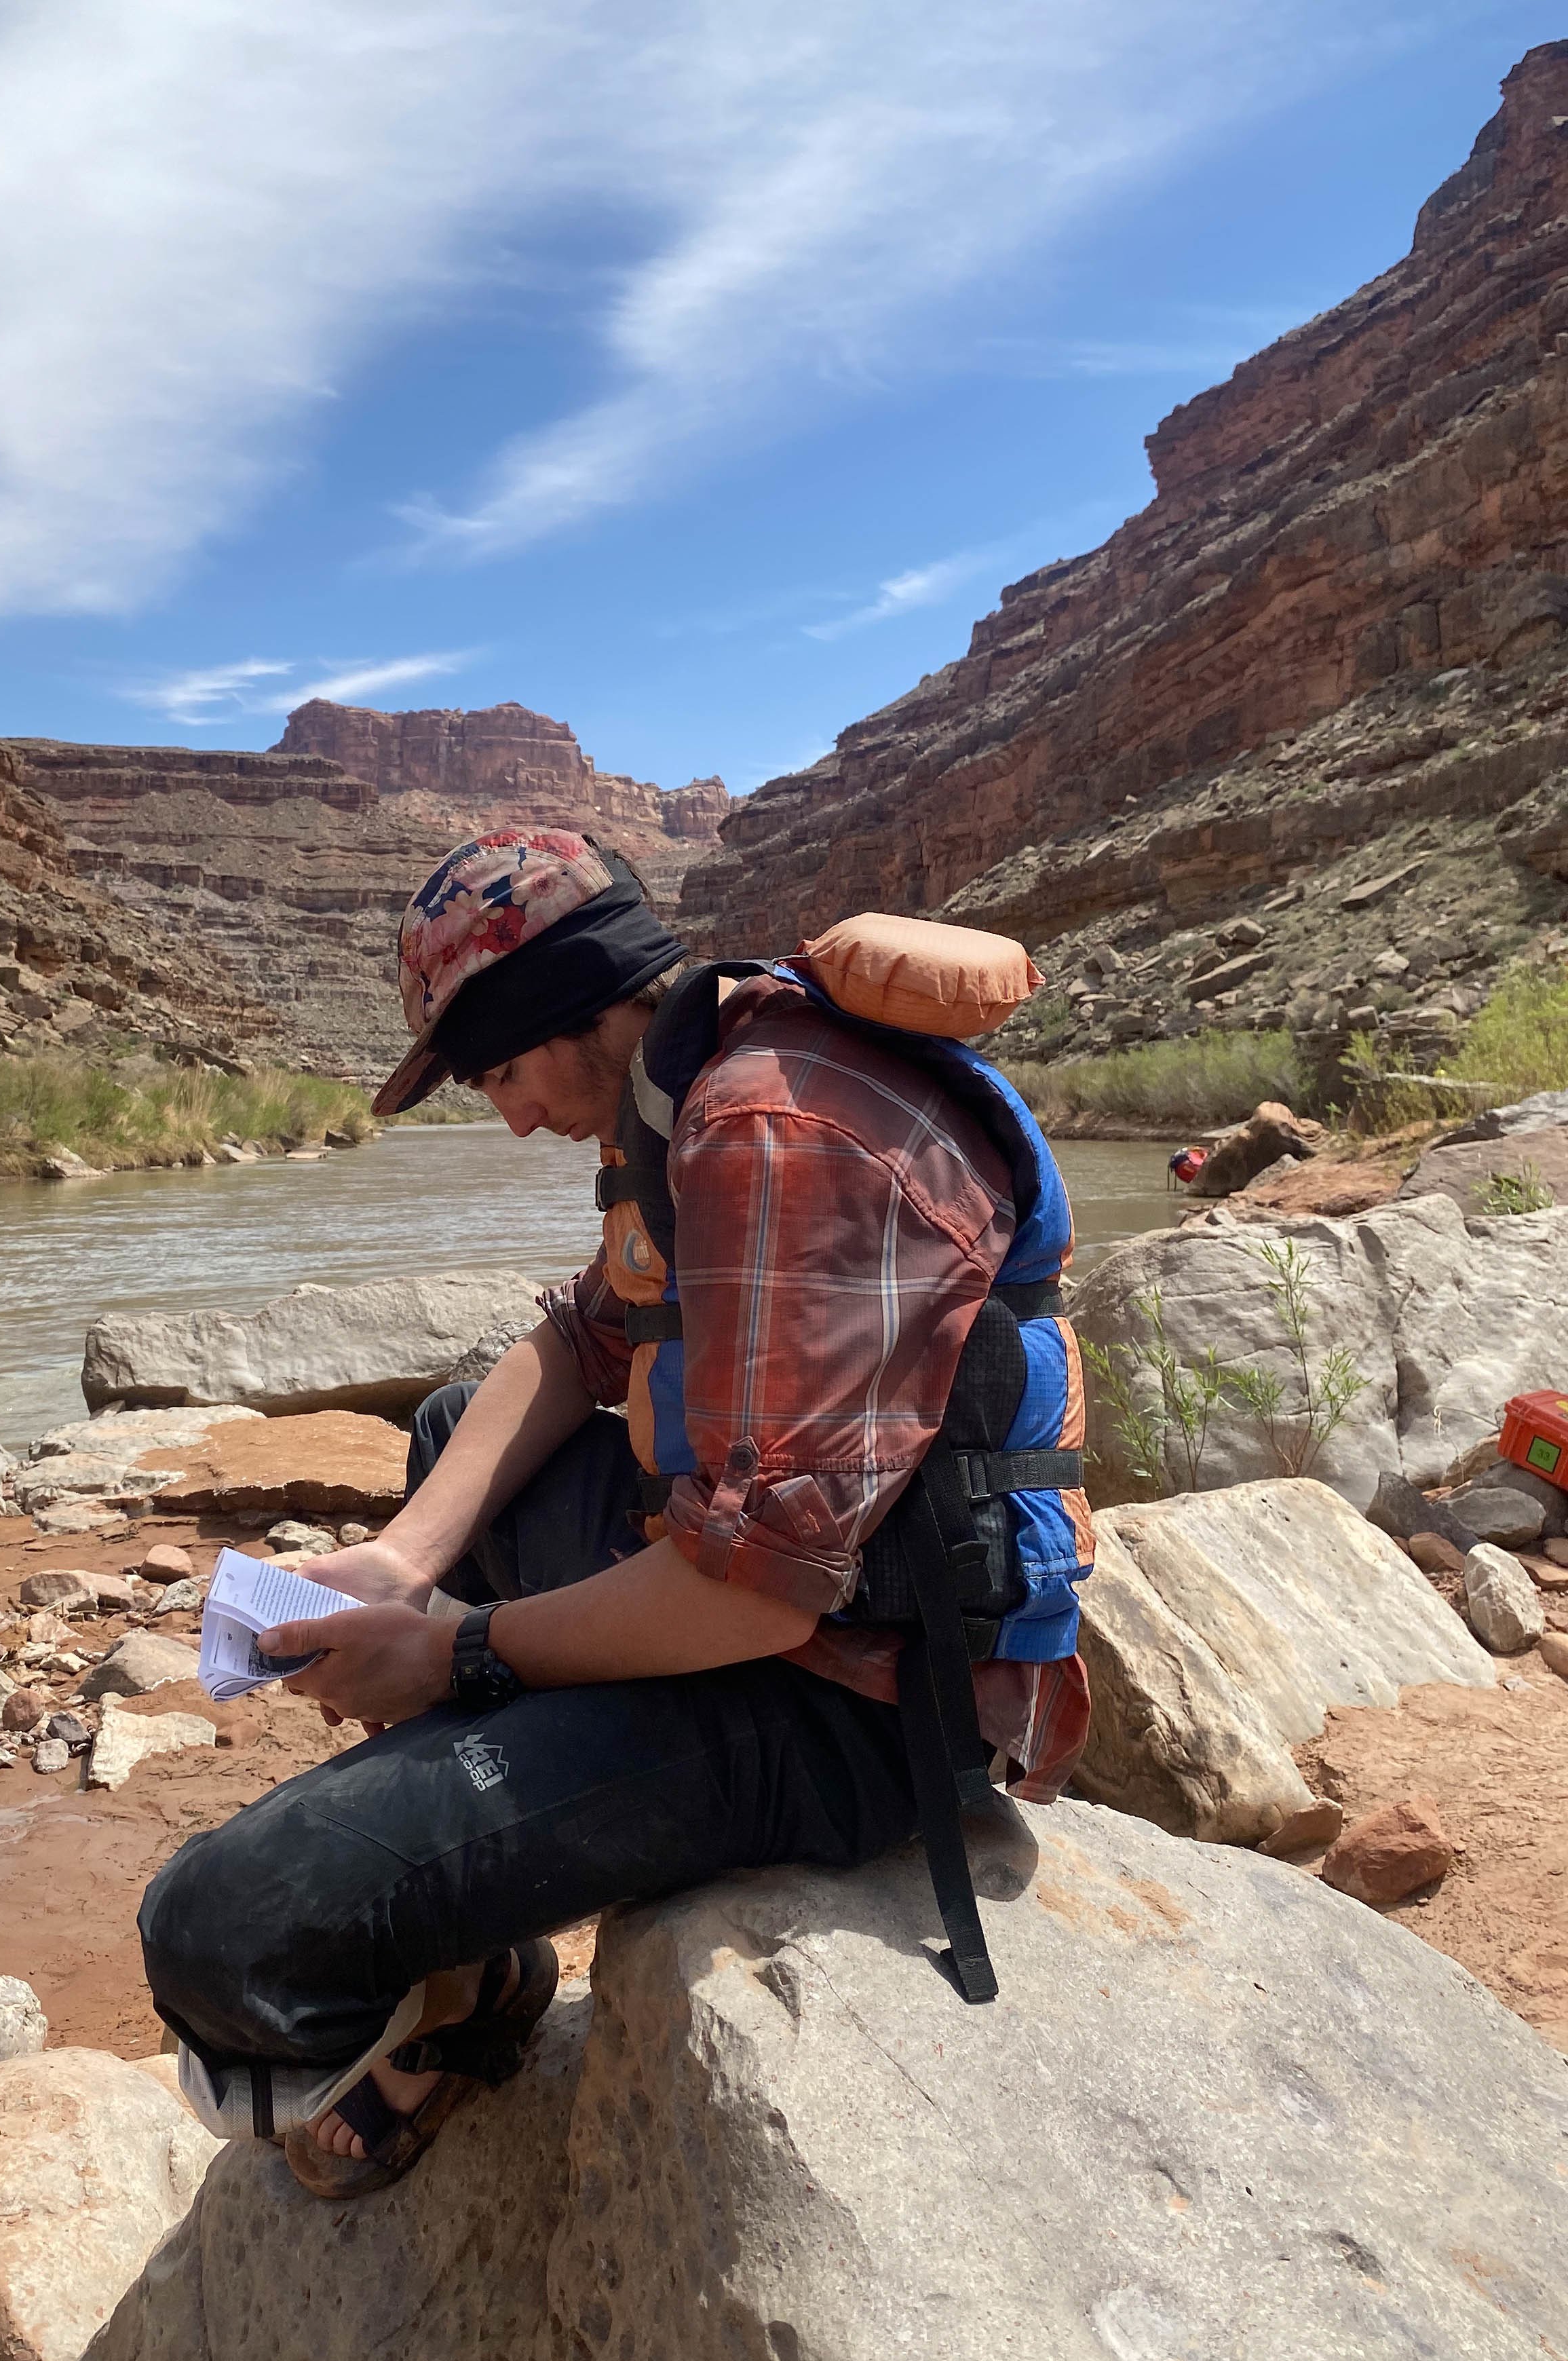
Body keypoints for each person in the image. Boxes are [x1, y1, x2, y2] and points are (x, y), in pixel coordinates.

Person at [138, 829, 1093, 2201]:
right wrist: (405, 1563)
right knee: (448, 1431)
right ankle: (467, 1972)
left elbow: (758, 1595)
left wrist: (460, 1650)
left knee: (222, 1929)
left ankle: (446, 1988)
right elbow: (579, 1342)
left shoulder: (779, 1130)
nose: (516, 1118)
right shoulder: (700, 1092)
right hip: (774, 1618)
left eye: (507, 1074)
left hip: (859, 1705)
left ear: (583, 1005)